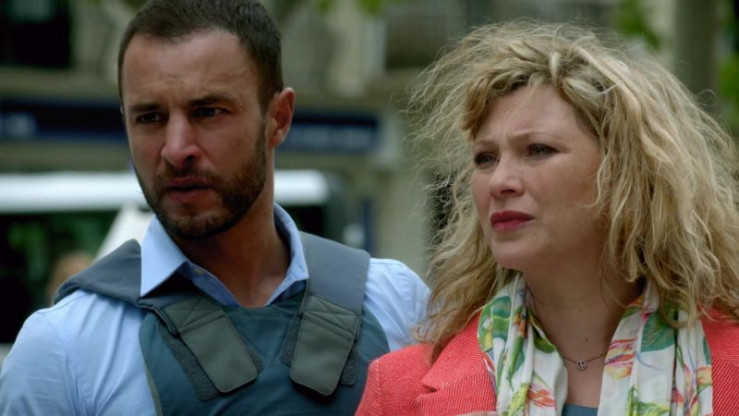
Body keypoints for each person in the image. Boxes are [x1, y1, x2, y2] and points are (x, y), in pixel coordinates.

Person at [0, 1, 428, 414]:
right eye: (149, 118)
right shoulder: (62, 348)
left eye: (207, 112)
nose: (176, 149)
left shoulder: (397, 302)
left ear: (278, 118)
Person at [356, 20, 739, 416]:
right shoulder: (399, 388)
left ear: (625, 172)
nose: (499, 181)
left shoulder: (731, 371)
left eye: (537, 150)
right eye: (486, 158)